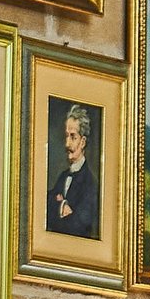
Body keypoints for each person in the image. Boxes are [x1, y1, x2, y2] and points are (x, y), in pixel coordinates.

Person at [48, 103, 100, 241]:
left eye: (73, 137)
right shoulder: (62, 176)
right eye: (66, 136)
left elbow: (76, 227)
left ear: (83, 142)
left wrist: (56, 208)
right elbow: (45, 209)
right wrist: (62, 206)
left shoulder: (91, 184)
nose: (67, 144)